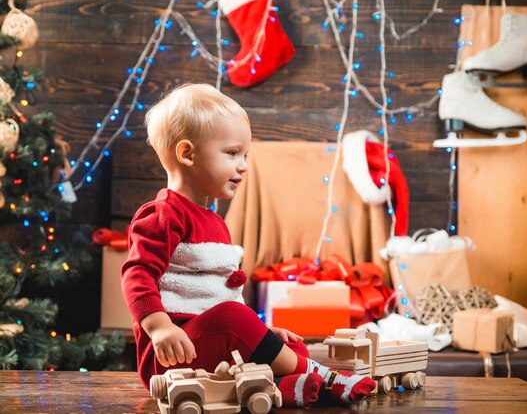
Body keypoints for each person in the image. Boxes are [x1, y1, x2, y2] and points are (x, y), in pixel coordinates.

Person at [121, 83, 375, 407]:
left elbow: (218, 293)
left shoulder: (215, 222)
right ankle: (324, 377)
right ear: (187, 153)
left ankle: (286, 390)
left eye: (245, 155)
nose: (242, 165)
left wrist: (261, 333)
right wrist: (158, 327)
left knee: (289, 344)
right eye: (231, 153)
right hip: (173, 352)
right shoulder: (163, 214)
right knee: (233, 319)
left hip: (211, 347)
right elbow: (137, 272)